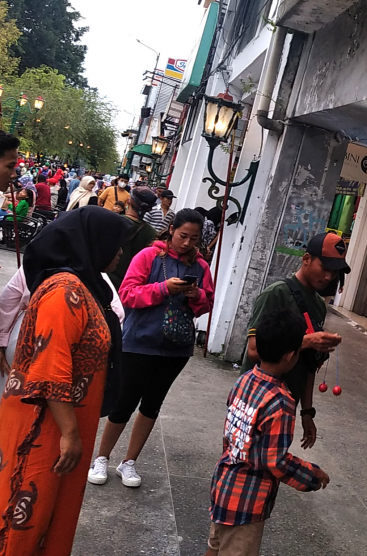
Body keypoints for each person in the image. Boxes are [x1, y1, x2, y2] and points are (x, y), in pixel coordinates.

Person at [0, 206, 131, 555]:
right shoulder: (65, 291)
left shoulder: (87, 287)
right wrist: (71, 434)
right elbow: (51, 366)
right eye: (115, 244)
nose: (120, 252)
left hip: (62, 423)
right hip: (45, 428)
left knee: (50, 516)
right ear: (93, 242)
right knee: (26, 518)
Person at [87, 209, 214, 488]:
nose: (187, 243)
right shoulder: (148, 257)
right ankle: (102, 457)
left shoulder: (201, 267)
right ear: (171, 230)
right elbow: (128, 294)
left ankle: (129, 461)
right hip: (138, 343)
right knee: (124, 401)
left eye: (193, 239)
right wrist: (164, 288)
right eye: (183, 236)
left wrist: (197, 295)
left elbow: (207, 306)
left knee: (152, 404)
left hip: (175, 348)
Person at [206, 311, 329, 556]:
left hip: (223, 485)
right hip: (247, 502)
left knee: (215, 546)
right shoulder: (281, 402)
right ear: (291, 355)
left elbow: (229, 433)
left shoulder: (243, 381)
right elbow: (275, 461)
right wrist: (312, 476)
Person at [240, 232, 348, 450]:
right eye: (324, 268)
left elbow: (309, 365)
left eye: (334, 271)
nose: (328, 277)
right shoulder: (275, 294)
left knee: (272, 468)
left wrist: (307, 413)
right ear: (306, 259)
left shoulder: (318, 304)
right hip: (257, 401)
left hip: (287, 402)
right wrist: (306, 341)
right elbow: (253, 351)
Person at [108, 186, 158, 289]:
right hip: (128, 286)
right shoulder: (152, 234)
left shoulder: (112, 221)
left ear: (129, 201)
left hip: (104, 277)